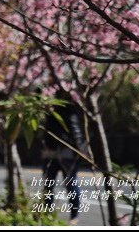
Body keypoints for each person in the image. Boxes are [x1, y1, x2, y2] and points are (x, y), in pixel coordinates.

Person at [41, 90, 87, 226]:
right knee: (56, 184)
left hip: (64, 150)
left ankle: (71, 216)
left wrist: (78, 150)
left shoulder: (66, 108)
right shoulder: (57, 108)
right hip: (55, 150)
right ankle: (51, 214)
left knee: (67, 183)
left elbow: (75, 130)